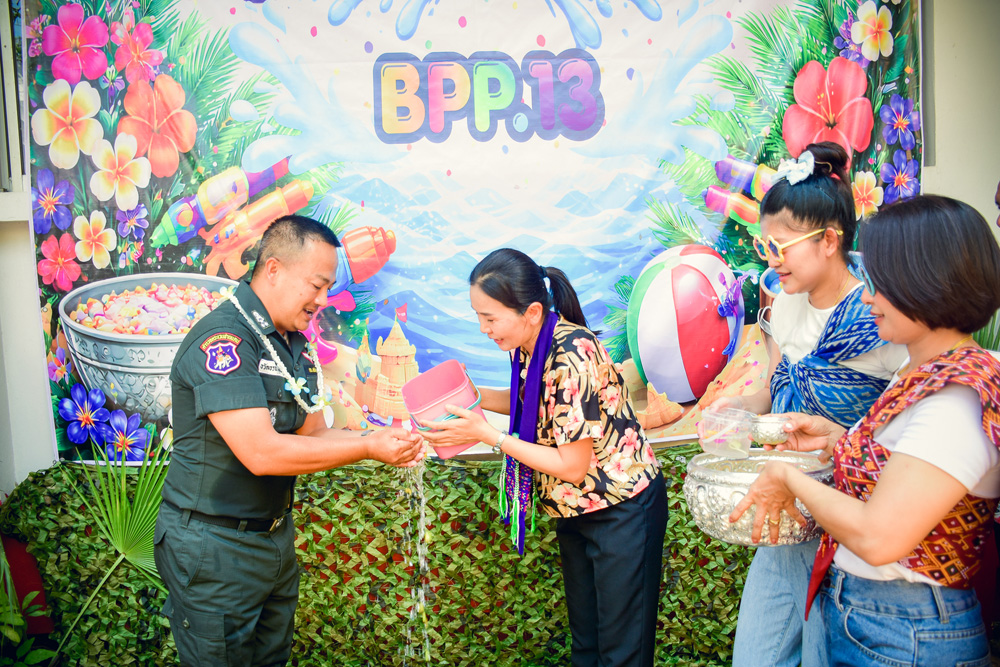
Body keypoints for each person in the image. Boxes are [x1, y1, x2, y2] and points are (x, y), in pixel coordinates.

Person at [731, 194, 1000, 665]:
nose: (868, 298)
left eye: (879, 282)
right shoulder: (919, 373)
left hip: (907, 633)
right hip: (877, 621)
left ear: (926, 282)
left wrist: (787, 477)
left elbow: (880, 536)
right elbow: (903, 468)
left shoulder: (957, 396)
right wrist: (834, 437)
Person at [154, 215, 424, 667]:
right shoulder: (225, 340)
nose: (323, 300)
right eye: (316, 285)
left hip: (274, 538)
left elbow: (314, 432)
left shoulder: (294, 344)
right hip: (213, 545)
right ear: (274, 269)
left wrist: (379, 436)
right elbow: (261, 453)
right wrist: (367, 448)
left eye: (329, 287)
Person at [708, 142, 907, 667]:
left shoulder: (879, 315)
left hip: (847, 518)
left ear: (830, 241)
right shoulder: (785, 307)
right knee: (756, 656)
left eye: (781, 246)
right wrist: (737, 409)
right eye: (764, 245)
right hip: (786, 509)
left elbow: (900, 421)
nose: (770, 259)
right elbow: (775, 388)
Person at [421, 248, 667, 667]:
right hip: (575, 508)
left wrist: (489, 435)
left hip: (621, 508)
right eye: (478, 317)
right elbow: (532, 400)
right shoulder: (532, 343)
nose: (483, 329)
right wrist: (470, 395)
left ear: (532, 311)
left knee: (622, 653)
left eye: (490, 318)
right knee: (587, 646)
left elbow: (573, 465)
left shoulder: (572, 354)